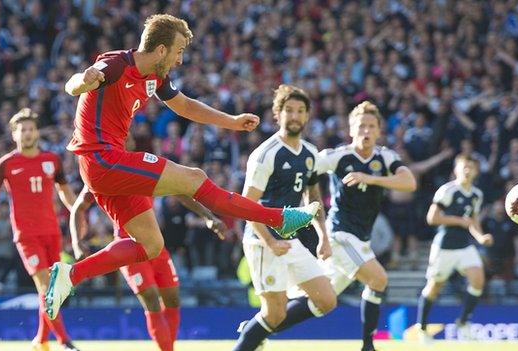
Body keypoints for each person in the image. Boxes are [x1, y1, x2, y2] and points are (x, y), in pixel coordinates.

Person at [46, 14, 319, 319]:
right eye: (178, 52)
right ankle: (278, 219)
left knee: (150, 244)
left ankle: (70, 275)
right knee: (195, 178)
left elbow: (185, 105)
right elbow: (78, 81)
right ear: (161, 50)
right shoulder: (116, 64)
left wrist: (230, 121)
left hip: (108, 169)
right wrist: (82, 82)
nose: (179, 60)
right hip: (103, 160)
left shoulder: (155, 77)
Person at [276, 101, 417, 351]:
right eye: (361, 125)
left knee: (320, 301)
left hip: (361, 239)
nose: (366, 130)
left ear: (378, 131)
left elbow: (409, 182)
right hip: (340, 234)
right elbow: (308, 170)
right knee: (379, 279)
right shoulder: (338, 156)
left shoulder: (385, 157)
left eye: (371, 126)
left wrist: (370, 178)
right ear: (351, 129)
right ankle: (367, 346)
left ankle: (260, 327)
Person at [233, 84, 336, 351]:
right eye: (288, 110)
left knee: (326, 299)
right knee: (274, 314)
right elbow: (246, 206)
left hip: (290, 239)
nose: (295, 116)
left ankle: (255, 328)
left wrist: (323, 237)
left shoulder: (311, 154)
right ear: (277, 115)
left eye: (300, 111)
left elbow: (313, 200)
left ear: (307, 116)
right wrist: (269, 242)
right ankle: (256, 330)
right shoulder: (266, 154)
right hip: (262, 239)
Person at [71, 185, 227, 351]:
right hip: (127, 247)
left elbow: (179, 190)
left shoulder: (146, 168)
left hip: (155, 244)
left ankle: (169, 347)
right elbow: (78, 208)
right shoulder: (103, 172)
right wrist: (77, 242)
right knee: (151, 298)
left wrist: (208, 216)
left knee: (173, 300)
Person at [0, 108, 79, 351]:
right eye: (22, 130)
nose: (27, 134)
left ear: (37, 132)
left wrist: (77, 209)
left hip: (52, 232)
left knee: (51, 290)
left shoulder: (52, 161)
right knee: (46, 287)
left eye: (30, 129)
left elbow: (65, 191)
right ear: (14, 135)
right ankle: (64, 341)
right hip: (26, 236)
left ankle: (40, 340)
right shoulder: (6, 164)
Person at [416, 155, 493, 342]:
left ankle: (464, 322)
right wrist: (459, 221)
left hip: (464, 246)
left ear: (476, 171)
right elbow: (432, 218)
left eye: (471, 167)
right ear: (456, 169)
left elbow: (473, 220)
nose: (468, 170)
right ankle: (422, 328)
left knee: (478, 281)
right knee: (434, 287)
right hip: (444, 246)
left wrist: (480, 237)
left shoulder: (476, 194)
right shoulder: (448, 190)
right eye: (464, 166)